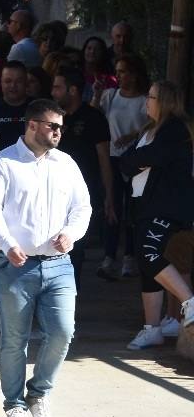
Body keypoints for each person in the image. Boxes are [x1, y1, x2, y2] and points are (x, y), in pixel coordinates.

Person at [0, 98, 91, 417]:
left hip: (58, 264)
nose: (58, 131)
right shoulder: (3, 163)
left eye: (60, 126)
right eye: (52, 125)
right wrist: (7, 243)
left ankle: (38, 393)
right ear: (32, 125)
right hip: (13, 264)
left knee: (63, 332)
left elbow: (82, 207)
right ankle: (14, 404)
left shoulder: (66, 163)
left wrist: (71, 234)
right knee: (15, 338)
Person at [120, 80, 194, 348]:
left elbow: (154, 157)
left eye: (151, 97)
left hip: (166, 206)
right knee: (146, 263)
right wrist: (138, 159)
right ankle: (151, 328)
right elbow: (127, 161)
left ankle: (189, 302)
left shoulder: (175, 128)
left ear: (165, 101)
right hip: (144, 205)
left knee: (150, 252)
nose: (146, 101)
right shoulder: (149, 129)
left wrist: (139, 159)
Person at [51, 66, 114, 290]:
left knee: (74, 247)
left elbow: (104, 159)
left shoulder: (94, 117)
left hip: (83, 194)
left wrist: (109, 197)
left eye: (58, 87)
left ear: (73, 90)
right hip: (51, 192)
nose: (54, 92)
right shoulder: (52, 118)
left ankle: (69, 295)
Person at [98, 54, 150, 280]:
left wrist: (132, 136)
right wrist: (98, 92)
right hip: (112, 157)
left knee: (132, 209)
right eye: (117, 72)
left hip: (135, 160)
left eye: (124, 72)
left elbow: (151, 126)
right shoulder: (111, 95)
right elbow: (97, 119)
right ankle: (109, 256)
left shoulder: (146, 100)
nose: (119, 76)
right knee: (111, 206)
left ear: (135, 74)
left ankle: (129, 256)